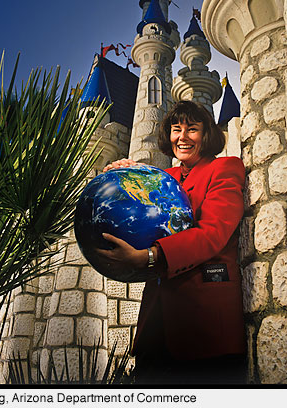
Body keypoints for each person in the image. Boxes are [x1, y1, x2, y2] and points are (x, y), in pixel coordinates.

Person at [97, 100, 246, 384]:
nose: (182, 137)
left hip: (205, 328)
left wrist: (149, 258)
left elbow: (212, 233)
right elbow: (142, 202)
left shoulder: (225, 169)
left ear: (207, 135)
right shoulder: (166, 178)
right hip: (156, 326)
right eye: (176, 130)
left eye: (192, 129)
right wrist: (123, 176)